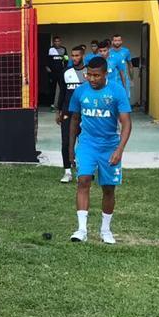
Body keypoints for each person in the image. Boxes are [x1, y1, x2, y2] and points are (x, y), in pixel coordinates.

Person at [68, 56, 132, 244]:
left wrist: (119, 150)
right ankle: (81, 230)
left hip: (109, 146)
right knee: (83, 180)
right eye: (89, 75)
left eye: (97, 75)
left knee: (108, 189)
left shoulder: (117, 92)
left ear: (105, 74)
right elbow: (73, 120)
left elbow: (127, 124)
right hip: (87, 144)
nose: (92, 79)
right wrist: (71, 149)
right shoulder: (80, 92)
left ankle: (105, 230)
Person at [55, 45, 86, 183]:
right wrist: (58, 111)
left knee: (84, 142)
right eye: (72, 55)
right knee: (66, 142)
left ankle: (83, 170)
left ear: (83, 56)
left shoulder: (89, 72)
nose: (74, 58)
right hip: (68, 112)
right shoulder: (65, 72)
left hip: (85, 113)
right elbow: (61, 93)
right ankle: (67, 171)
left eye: (77, 55)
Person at [46, 35, 68, 109]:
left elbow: (66, 59)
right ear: (54, 42)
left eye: (58, 41)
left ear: (60, 42)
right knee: (52, 89)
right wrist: (47, 67)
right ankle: (51, 105)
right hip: (52, 73)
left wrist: (65, 69)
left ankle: (61, 105)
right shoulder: (50, 49)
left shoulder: (63, 49)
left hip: (61, 72)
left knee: (62, 88)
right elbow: (47, 60)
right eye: (55, 41)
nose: (57, 42)